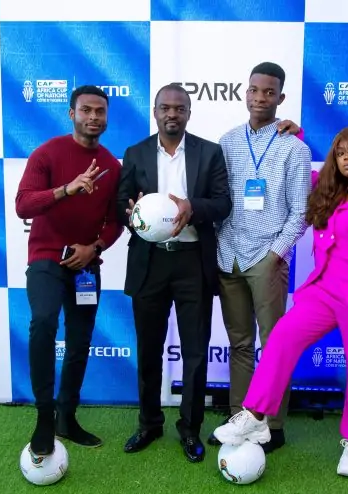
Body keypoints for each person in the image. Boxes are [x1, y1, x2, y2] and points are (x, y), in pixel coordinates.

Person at [212, 125, 348, 478]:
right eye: (340, 152)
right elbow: (294, 170)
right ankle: (256, 416)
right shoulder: (327, 189)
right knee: (282, 337)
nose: (347, 157)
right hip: (323, 290)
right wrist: (295, 137)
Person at [117, 83, 232, 463]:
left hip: (191, 262)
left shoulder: (209, 152)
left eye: (179, 108)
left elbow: (223, 203)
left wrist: (192, 207)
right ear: (154, 111)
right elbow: (120, 204)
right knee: (148, 348)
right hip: (149, 262)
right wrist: (133, 213)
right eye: (165, 107)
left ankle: (190, 428)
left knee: (195, 351)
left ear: (188, 113)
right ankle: (149, 423)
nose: (172, 114)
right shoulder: (135, 153)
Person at [15, 85, 123, 463]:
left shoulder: (112, 166)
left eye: (100, 111)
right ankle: (44, 417)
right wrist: (66, 189)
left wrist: (95, 248)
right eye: (86, 110)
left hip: (86, 266)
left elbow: (115, 222)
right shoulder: (47, 153)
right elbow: (23, 205)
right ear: (71, 113)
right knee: (44, 321)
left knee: (79, 341)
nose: (93, 117)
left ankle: (67, 417)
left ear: (106, 117)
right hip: (46, 258)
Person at [210, 62, 312, 453]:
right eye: (254, 90)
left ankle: (273, 424)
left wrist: (275, 255)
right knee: (239, 343)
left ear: (280, 97)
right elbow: (219, 198)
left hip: (267, 257)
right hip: (229, 255)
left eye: (269, 92)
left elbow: (300, 212)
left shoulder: (295, 148)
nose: (260, 98)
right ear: (245, 92)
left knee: (274, 345)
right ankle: (240, 418)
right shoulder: (228, 141)